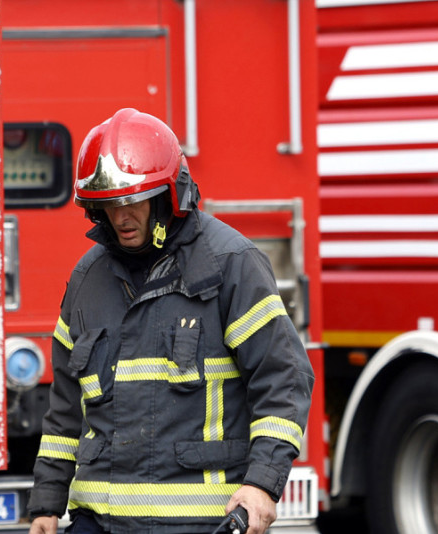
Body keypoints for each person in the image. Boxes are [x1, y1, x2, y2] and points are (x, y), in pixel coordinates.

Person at [27, 108, 314, 534]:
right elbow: (66, 413)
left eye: (132, 201)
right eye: (108, 206)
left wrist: (262, 485)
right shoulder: (87, 281)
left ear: (168, 194)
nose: (121, 218)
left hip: (200, 524)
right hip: (98, 523)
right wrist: (47, 506)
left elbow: (283, 381)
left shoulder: (231, 265)